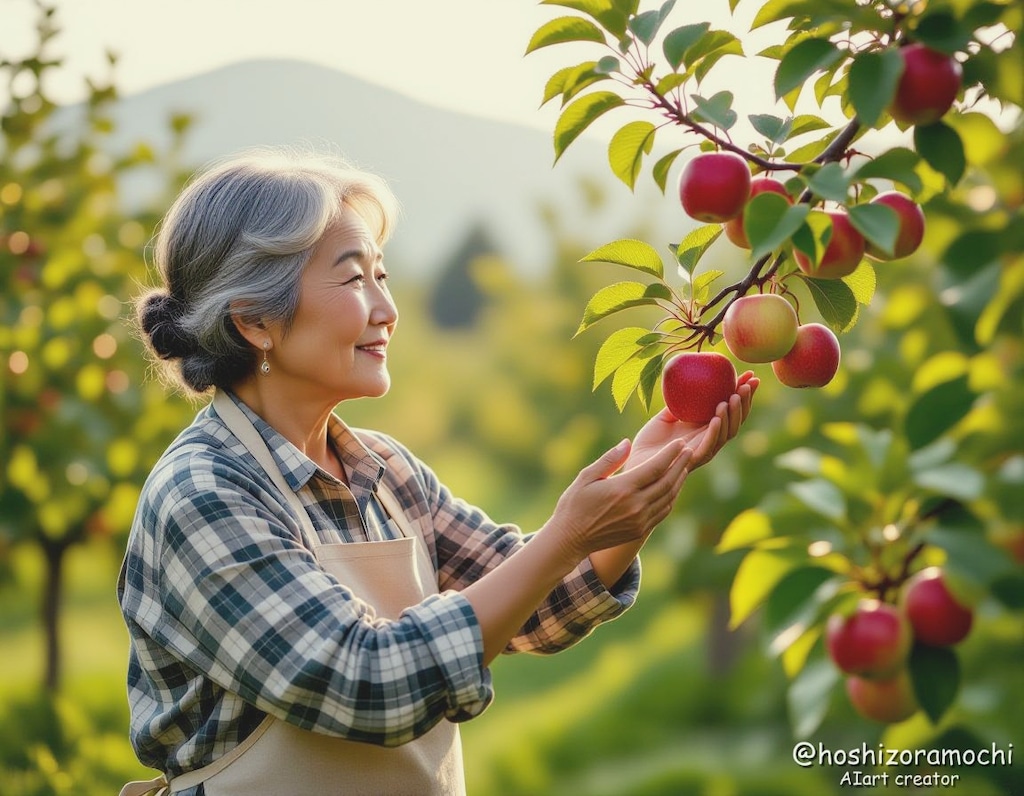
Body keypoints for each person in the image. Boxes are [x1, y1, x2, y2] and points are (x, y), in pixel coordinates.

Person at [117, 147, 758, 796]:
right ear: (254, 319)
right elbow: (366, 684)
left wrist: (641, 481)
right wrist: (567, 534)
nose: (387, 310)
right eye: (352, 279)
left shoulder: (384, 471)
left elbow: (535, 606)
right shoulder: (203, 495)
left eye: (382, 275)